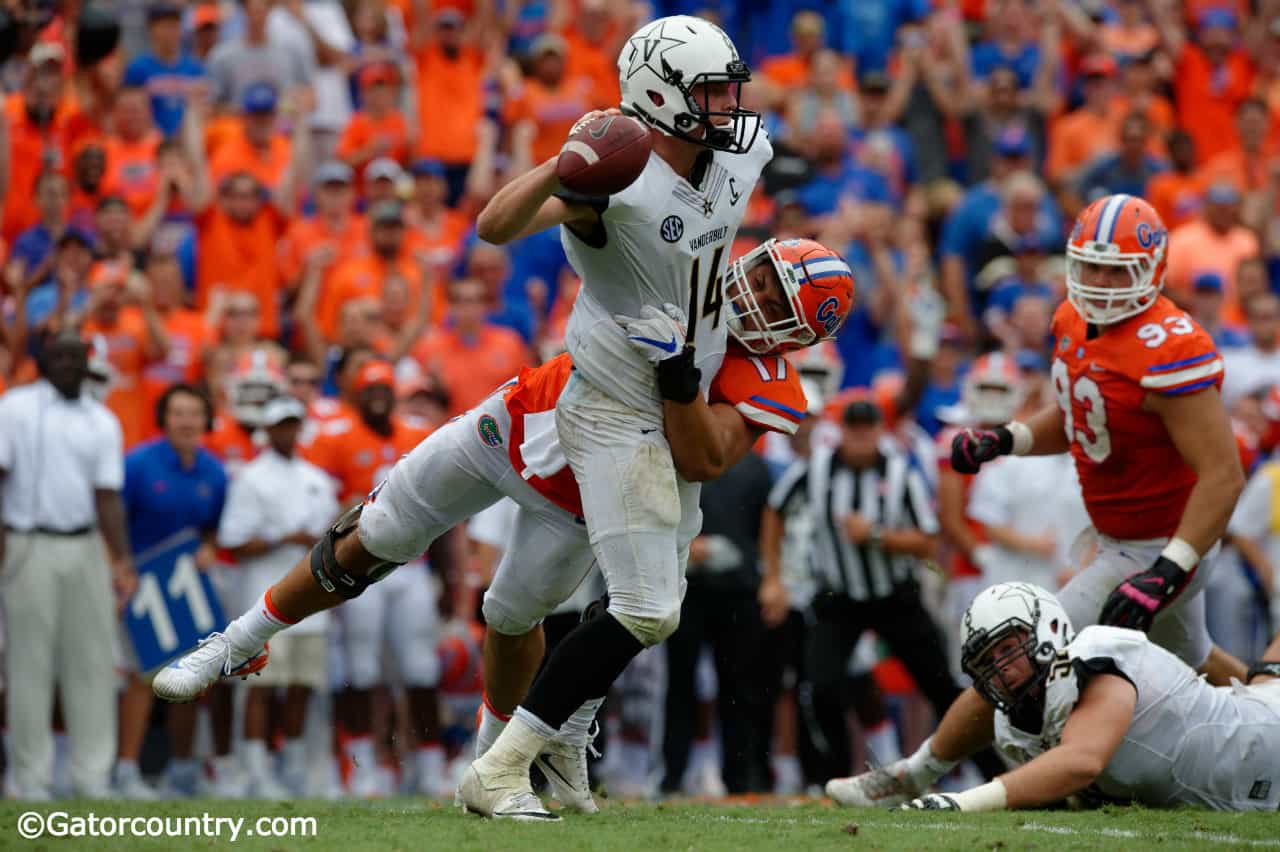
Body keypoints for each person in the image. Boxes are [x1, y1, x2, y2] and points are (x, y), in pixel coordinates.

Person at [151, 233, 853, 812]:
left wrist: (680, 377)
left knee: (514, 618)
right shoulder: (680, 276)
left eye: (774, 299)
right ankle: (236, 642)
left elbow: (705, 456)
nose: (753, 295)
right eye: (761, 276)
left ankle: (491, 769)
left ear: (799, 332)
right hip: (516, 421)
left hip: (579, 496)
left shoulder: (770, 380)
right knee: (375, 537)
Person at [827, 192, 1247, 808]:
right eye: (1092, 266)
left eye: (1116, 270)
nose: (1101, 284)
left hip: (1162, 543)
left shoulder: (1170, 346)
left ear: (1152, 270)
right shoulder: (1073, 322)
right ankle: (1267, 709)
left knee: (1023, 645)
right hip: (1126, 539)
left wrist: (1168, 569)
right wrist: (1008, 438)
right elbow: (1083, 415)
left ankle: (911, 776)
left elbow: (1223, 476)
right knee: (1198, 656)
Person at [459, 14, 774, 820]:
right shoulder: (609, 182)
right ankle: (501, 766)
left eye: (726, 87)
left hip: (679, 395)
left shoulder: (743, 149)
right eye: (707, 91)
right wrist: (568, 161)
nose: (727, 105)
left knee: (651, 607)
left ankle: (560, 748)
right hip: (612, 399)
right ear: (657, 95)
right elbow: (492, 229)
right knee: (645, 606)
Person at [897, 582, 1280, 812]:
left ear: (1047, 630)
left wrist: (962, 802)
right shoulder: (1017, 731)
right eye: (986, 662)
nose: (1000, 668)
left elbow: (1081, 761)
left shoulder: (1094, 654)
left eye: (1007, 649)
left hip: (1265, 740)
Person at [0, 329, 134, 799]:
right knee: (29, 663)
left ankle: (91, 777)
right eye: (57, 357)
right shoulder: (15, 408)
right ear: (41, 362)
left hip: (84, 546)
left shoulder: (102, 419)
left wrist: (122, 560)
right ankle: (30, 779)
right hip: (26, 543)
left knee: (93, 662)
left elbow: (108, 498)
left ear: (87, 363)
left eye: (75, 358)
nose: (67, 365)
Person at [216, 395, 337, 798]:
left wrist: (311, 541)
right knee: (261, 686)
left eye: (292, 424)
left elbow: (335, 539)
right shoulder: (250, 478)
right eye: (280, 425)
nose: (287, 431)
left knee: (302, 684)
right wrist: (281, 538)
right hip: (262, 598)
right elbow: (232, 540)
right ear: (266, 431)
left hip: (311, 602)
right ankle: (255, 768)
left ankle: (295, 768)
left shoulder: (316, 478)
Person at [116, 383, 227, 799]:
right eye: (178, 413)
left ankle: (182, 770)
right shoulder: (138, 463)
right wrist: (120, 567)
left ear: (205, 420)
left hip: (187, 586)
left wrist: (209, 548)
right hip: (139, 582)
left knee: (192, 678)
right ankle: (127, 769)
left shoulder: (214, 471)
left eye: (194, 413)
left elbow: (213, 527)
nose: (186, 422)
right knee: (141, 677)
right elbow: (114, 518)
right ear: (164, 418)